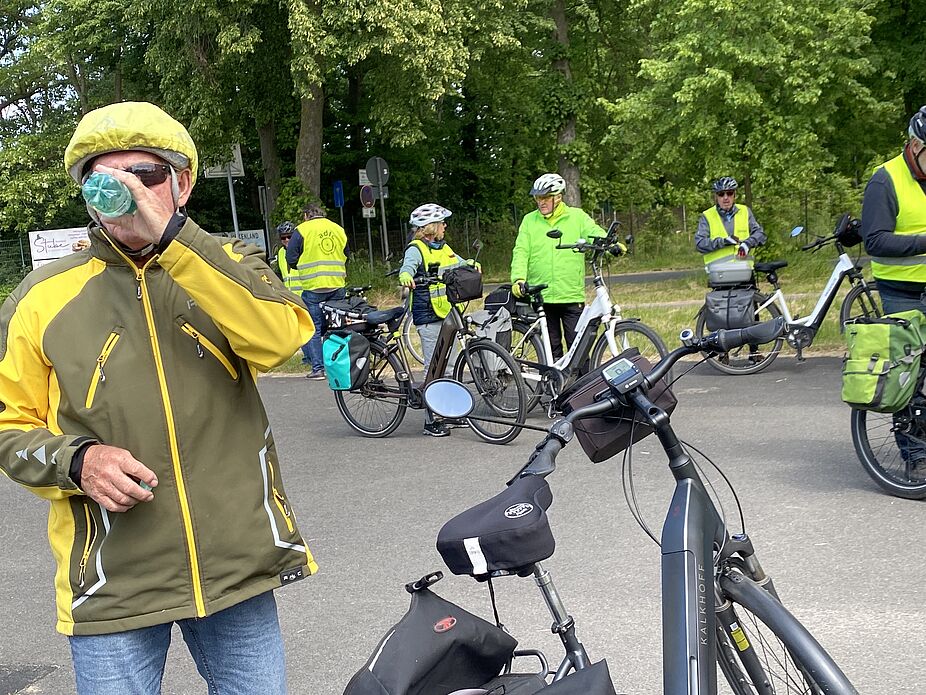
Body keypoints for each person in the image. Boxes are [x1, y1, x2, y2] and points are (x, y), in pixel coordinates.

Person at [0, 101, 317, 695]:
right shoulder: (41, 297)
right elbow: (6, 425)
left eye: (145, 175)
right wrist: (77, 461)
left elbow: (282, 340)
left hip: (235, 567)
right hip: (112, 581)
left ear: (183, 183)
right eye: (105, 179)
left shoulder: (227, 266)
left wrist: (175, 242)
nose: (127, 193)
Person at [861, 104, 926, 469]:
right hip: (901, 292)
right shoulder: (885, 179)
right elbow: (876, 241)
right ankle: (914, 456)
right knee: (907, 375)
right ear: (916, 146)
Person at [510, 173, 609, 360]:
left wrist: (610, 242)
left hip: (570, 294)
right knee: (551, 351)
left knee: (578, 351)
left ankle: (581, 389)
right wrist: (518, 279)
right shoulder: (529, 221)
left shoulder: (577, 217)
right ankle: (554, 389)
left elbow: (594, 232)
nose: (541, 202)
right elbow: (521, 252)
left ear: (558, 197)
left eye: (545, 197)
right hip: (542, 296)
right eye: (538, 198)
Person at [399, 203, 469, 437]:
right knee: (434, 368)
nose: (444, 226)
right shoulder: (416, 249)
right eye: (441, 223)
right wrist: (406, 276)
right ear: (430, 227)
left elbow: (459, 262)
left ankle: (449, 411)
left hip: (446, 311)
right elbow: (406, 269)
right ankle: (431, 419)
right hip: (427, 315)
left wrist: (472, 266)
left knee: (449, 366)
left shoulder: (443, 247)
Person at [286, 204, 349, 380]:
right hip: (336, 285)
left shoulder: (302, 230)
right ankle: (339, 366)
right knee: (337, 327)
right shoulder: (338, 229)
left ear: (306, 215)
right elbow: (347, 255)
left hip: (313, 286)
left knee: (313, 328)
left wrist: (300, 266)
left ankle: (318, 369)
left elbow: (291, 257)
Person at [694, 177, 766, 272]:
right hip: (719, 273)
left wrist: (748, 243)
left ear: (734, 195)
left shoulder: (745, 211)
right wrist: (723, 242)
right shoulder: (707, 216)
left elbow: (760, 234)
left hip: (744, 271)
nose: (725, 197)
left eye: (729, 193)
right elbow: (700, 244)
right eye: (721, 194)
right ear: (716, 197)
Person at [275, 220, 312, 365]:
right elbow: (280, 274)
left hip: (304, 294)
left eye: (289, 237)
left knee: (307, 329)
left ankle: (311, 358)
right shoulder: (280, 253)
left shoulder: (301, 251)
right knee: (297, 330)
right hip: (290, 297)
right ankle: (307, 357)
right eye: (283, 238)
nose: (286, 240)